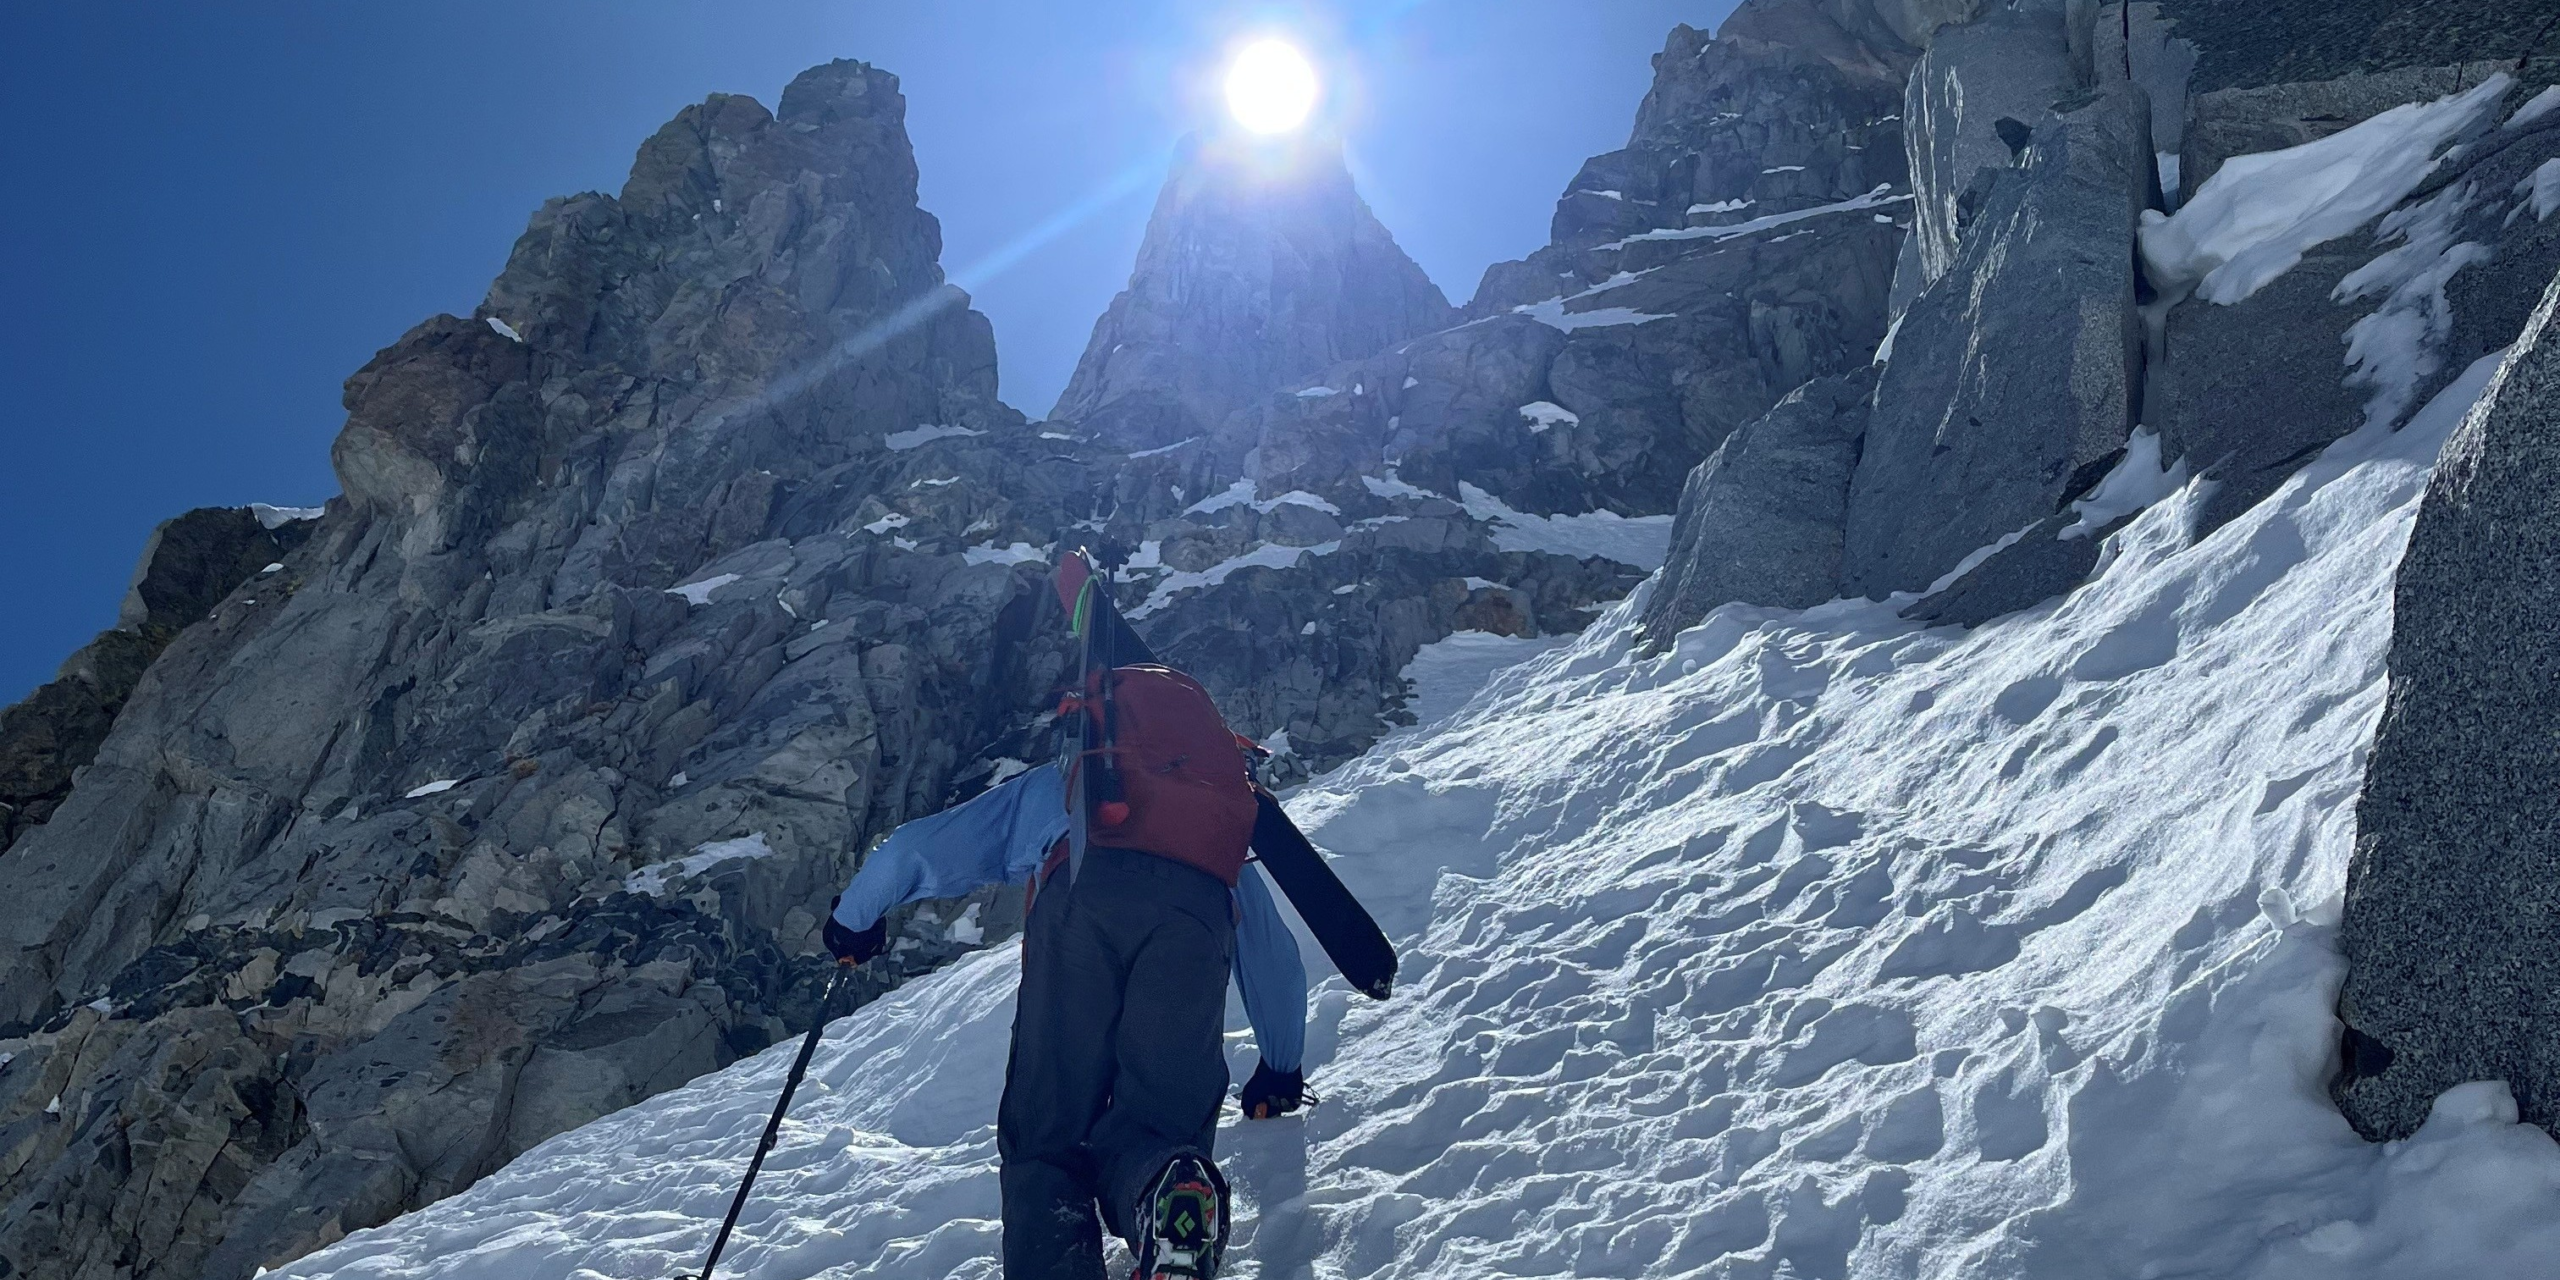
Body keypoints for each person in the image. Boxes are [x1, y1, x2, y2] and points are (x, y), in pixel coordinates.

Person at [823, 757, 1310, 1280]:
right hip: (1193, 922)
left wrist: (853, 921)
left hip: (1079, 906)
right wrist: (1280, 1068)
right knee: (1161, 1123)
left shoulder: (1068, 775)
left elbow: (914, 849)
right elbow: (1271, 956)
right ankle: (1166, 1191)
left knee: (1045, 1136)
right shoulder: (1213, 811)